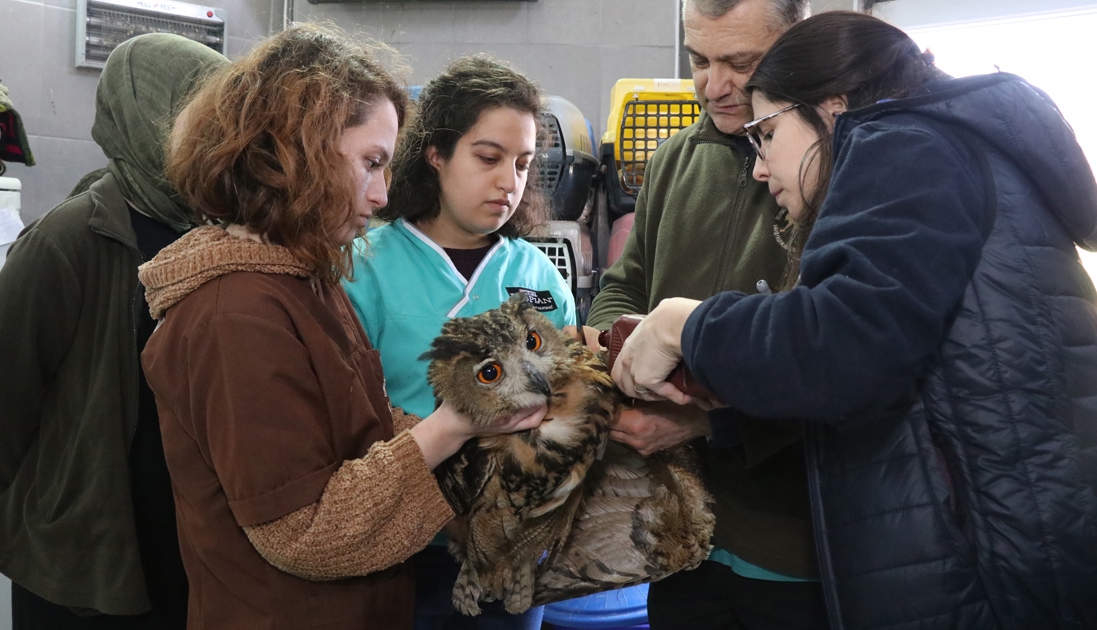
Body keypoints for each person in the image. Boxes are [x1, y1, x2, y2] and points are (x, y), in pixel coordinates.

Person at [611, 11, 1097, 629]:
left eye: (767, 133)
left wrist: (685, 324)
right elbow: (888, 367)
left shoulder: (908, 144)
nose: (760, 167)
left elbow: (843, 348)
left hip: (986, 553)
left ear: (834, 107)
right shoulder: (938, 142)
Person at [138, 25, 545, 630]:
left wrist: (477, 425)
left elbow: (359, 427)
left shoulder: (302, 279)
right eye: (371, 163)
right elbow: (308, 533)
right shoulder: (235, 315)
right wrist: (451, 425)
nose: (382, 195)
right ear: (292, 152)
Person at [583, 0, 826, 628]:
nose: (713, 86)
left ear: (793, 43)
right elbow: (625, 282)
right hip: (677, 534)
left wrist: (701, 420)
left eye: (740, 64)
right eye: (699, 60)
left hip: (788, 543)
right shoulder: (671, 160)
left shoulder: (831, 171)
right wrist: (620, 347)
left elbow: (833, 356)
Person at [0, 34, 226, 629]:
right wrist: (51, 502)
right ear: (147, 113)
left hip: (185, 543)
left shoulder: (220, 229)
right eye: (203, 116)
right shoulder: (69, 238)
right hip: (82, 555)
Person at [343, 55, 574, 630]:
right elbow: (349, 413)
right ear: (435, 153)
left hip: (509, 547)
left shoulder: (539, 273)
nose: (509, 183)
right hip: (402, 541)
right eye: (488, 158)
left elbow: (568, 397)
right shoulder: (366, 264)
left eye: (524, 164)